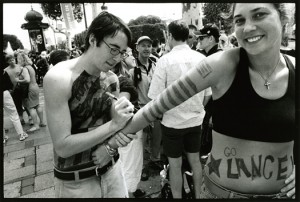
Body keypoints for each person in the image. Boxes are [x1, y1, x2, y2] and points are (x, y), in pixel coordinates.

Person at [108, 3, 295, 199]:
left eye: (259, 15)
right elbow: (157, 105)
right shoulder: (221, 64)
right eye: (240, 20)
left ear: (283, 19)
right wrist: (111, 143)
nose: (248, 27)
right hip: (221, 195)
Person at [43, 11, 135, 198]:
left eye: (122, 52)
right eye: (114, 49)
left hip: (113, 171)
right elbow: (62, 146)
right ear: (93, 39)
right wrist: (114, 125)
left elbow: (117, 129)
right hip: (76, 182)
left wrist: (114, 142)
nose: (117, 58)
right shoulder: (59, 78)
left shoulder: (111, 79)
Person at [148, 20, 211, 199]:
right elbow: (208, 94)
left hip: (172, 123)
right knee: (195, 161)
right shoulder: (202, 59)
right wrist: (197, 109)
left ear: (169, 35)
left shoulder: (164, 61)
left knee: (174, 165)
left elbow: (155, 98)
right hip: (195, 121)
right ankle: (199, 196)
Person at [129, 36, 163, 181]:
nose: (147, 48)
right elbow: (128, 90)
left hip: (156, 108)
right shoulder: (131, 67)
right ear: (137, 48)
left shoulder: (156, 65)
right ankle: (141, 168)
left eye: (149, 46)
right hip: (140, 110)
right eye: (143, 45)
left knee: (157, 137)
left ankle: (155, 160)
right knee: (140, 142)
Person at [112, 49, 146, 198]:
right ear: (121, 58)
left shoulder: (118, 77)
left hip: (120, 131)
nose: (133, 56)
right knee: (129, 163)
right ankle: (128, 192)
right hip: (127, 130)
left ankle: (130, 190)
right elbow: (122, 111)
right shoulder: (122, 80)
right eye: (129, 53)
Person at [194, 24, 222, 159]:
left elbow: (221, 89)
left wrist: (214, 114)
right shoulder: (209, 55)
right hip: (208, 109)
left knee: (209, 150)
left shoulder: (218, 58)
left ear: (211, 38)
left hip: (214, 111)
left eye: (202, 38)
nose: (199, 41)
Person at [16, 51, 46, 133]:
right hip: (35, 86)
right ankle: (42, 122)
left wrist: (18, 80)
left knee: (31, 107)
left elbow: (27, 80)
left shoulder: (25, 68)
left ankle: (36, 125)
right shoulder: (30, 66)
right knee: (37, 105)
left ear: (21, 60)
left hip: (30, 89)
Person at [3, 54, 29, 142]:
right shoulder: (3, 71)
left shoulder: (14, 68)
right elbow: (8, 83)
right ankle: (21, 133)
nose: (12, 61)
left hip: (14, 91)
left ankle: (4, 137)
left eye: (13, 59)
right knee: (14, 113)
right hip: (6, 93)